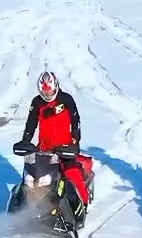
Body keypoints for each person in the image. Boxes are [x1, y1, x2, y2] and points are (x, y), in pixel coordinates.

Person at [14, 71, 91, 227]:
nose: (47, 94)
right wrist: (26, 141)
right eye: (44, 91)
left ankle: (82, 204)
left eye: (49, 91)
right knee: (31, 178)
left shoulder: (66, 100)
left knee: (72, 174)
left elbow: (76, 122)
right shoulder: (37, 102)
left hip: (65, 147)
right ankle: (23, 210)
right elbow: (31, 123)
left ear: (55, 86)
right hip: (44, 148)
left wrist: (75, 143)